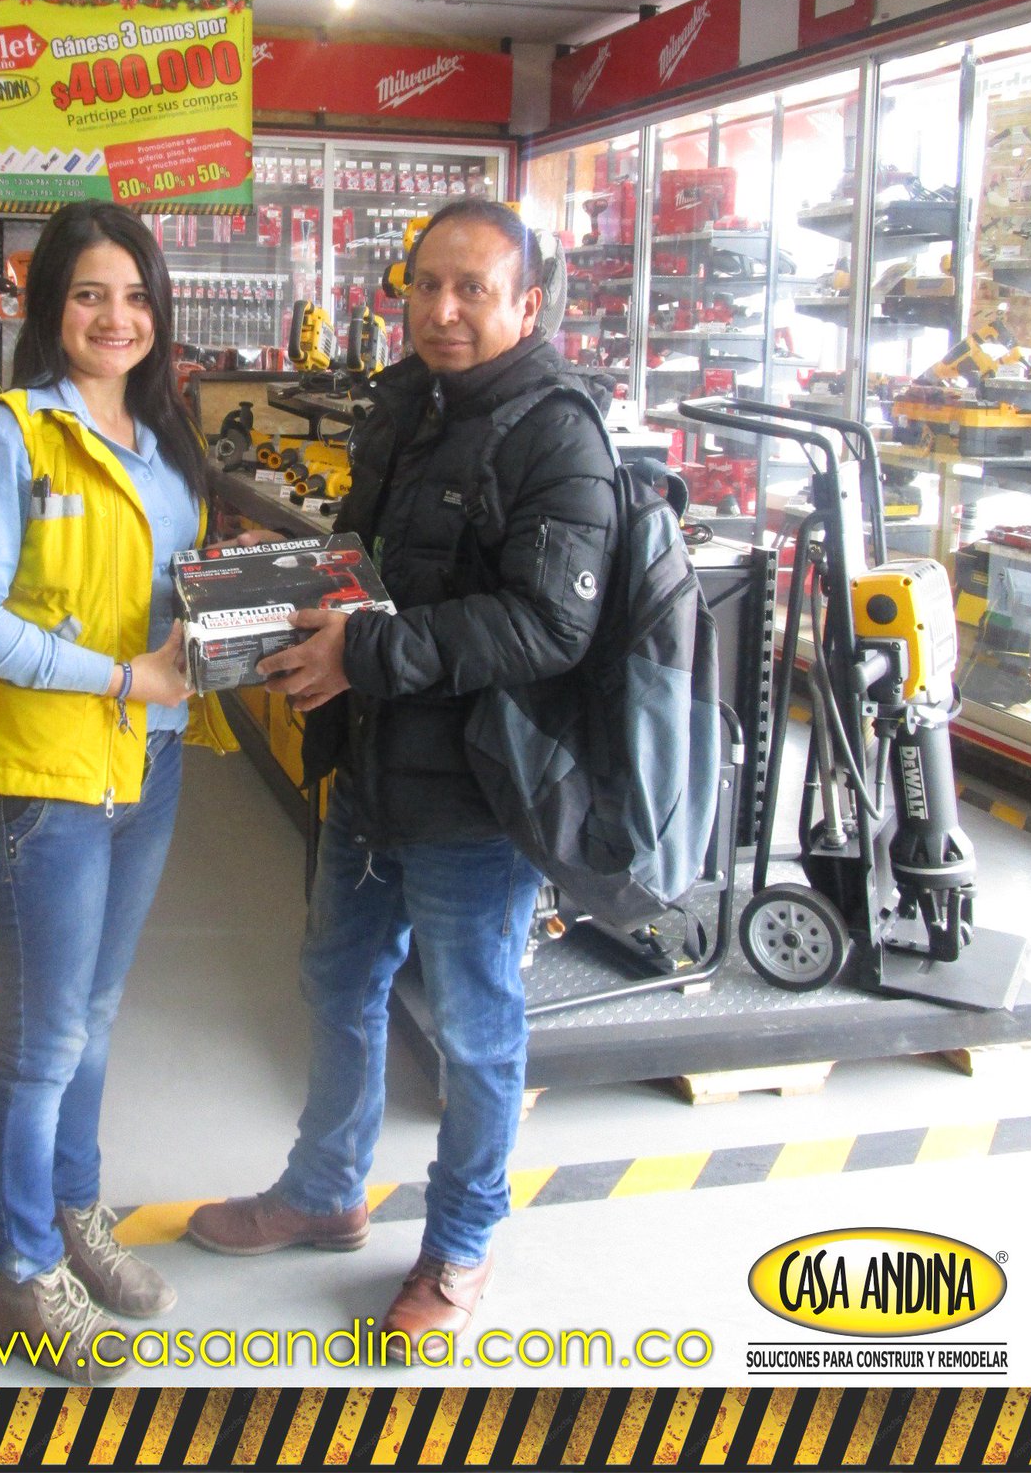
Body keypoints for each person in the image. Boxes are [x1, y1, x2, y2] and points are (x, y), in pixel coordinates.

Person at [187, 197, 617, 1354]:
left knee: (475, 1028)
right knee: (337, 981)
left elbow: (549, 625)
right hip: (370, 762)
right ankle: (325, 1188)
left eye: (474, 287)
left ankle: (462, 1242)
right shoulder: (403, 401)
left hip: (475, 789)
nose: (444, 308)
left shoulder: (558, 433)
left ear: (529, 303)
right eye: (427, 283)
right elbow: (363, 566)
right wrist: (280, 591)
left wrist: (365, 651)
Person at [0, 200, 236, 1382]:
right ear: (47, 304)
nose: (117, 317)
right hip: (41, 776)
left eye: (138, 296)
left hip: (148, 758)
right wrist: (119, 673)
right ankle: (23, 1270)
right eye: (91, 293)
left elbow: (171, 597)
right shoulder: (9, 437)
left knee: (96, 1015)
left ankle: (74, 1214)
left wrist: (238, 629)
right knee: (42, 1033)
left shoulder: (164, 443)